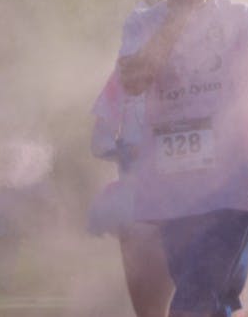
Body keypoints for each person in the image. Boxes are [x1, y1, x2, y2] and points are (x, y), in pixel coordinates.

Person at [116, 0, 248, 317]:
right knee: (214, 302)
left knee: (193, 301)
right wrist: (178, 16)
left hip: (232, 189)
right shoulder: (143, 23)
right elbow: (134, 79)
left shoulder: (240, 17)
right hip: (173, 190)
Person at [89, 65, 174, 317]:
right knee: (146, 305)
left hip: (183, 197)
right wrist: (125, 152)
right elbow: (99, 141)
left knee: (184, 294)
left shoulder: (195, 68)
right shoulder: (123, 74)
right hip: (133, 201)